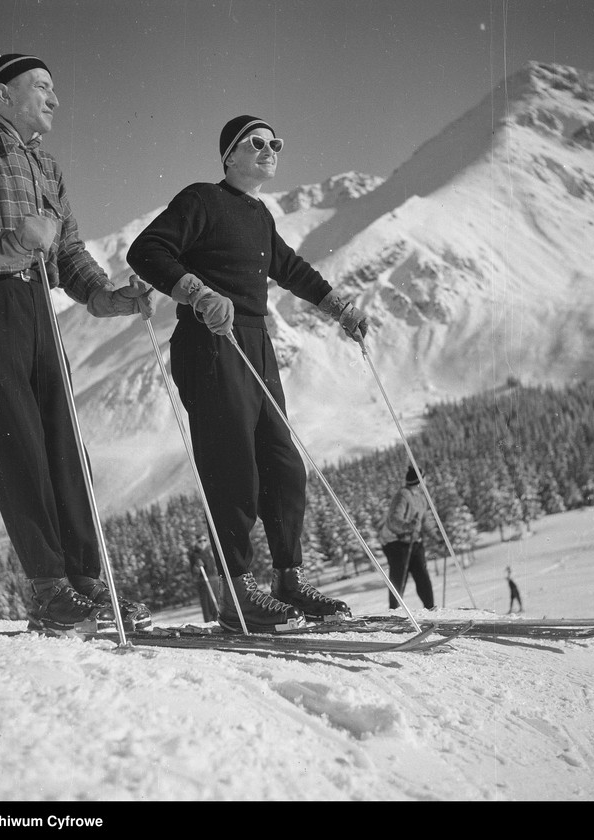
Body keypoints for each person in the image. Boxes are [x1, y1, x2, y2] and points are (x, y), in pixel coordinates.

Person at [0, 53, 160, 637]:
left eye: (55, 88)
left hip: (36, 311)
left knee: (66, 447)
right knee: (20, 449)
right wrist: (2, 241)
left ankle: (90, 584)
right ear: (1, 94)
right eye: (41, 86)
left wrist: (107, 296)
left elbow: (67, 251)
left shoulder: (47, 165)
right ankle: (50, 592)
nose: (54, 98)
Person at [127, 115, 368, 632]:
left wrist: (339, 307)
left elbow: (291, 268)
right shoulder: (201, 200)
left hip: (255, 343)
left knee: (282, 464)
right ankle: (237, 592)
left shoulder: (259, 215)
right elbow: (146, 251)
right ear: (229, 155)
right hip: (209, 341)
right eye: (257, 142)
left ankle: (287, 579)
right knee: (232, 464)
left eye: (275, 143)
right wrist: (198, 293)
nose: (270, 149)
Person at [379, 467, 435, 610]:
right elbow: (393, 519)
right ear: (419, 480)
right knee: (399, 579)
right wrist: (408, 526)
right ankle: (394, 611)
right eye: (424, 478)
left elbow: (424, 521)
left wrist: (436, 537)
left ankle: (431, 609)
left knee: (422, 576)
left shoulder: (421, 498)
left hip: (413, 541)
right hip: (396, 542)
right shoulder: (403, 495)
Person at [187, 534, 219, 622]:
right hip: (204, 581)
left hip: (214, 579)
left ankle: (219, 622)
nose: (202, 543)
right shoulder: (194, 554)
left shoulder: (210, 551)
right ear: (196, 542)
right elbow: (193, 571)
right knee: (207, 606)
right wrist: (197, 566)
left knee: (217, 604)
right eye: (200, 541)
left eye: (204, 540)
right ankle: (209, 623)